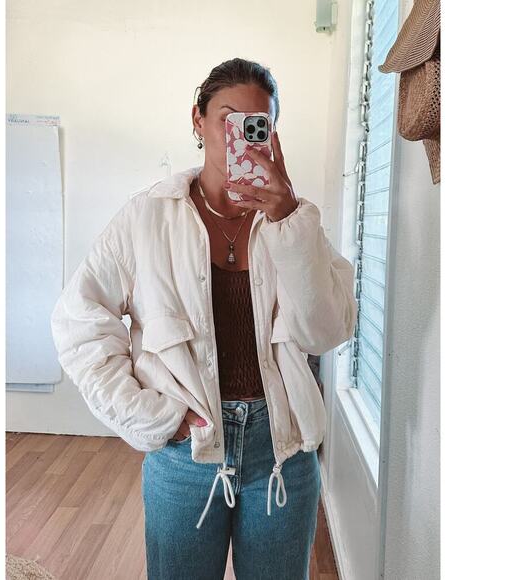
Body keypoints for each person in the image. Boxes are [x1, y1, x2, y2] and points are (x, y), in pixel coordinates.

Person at [50, 57, 357, 580]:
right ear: (198, 120)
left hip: (281, 450)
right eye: (228, 118)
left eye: (258, 122)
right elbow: (78, 320)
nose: (242, 134)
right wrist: (149, 416)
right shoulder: (148, 217)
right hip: (185, 453)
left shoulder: (291, 220)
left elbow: (325, 331)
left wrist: (288, 222)